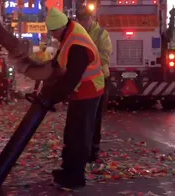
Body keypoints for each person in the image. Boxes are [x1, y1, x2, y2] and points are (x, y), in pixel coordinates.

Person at [38, 8, 104, 188]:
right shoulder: (71, 32)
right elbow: (60, 62)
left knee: (79, 135)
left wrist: (52, 97)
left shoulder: (77, 44)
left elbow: (70, 79)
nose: (53, 35)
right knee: (71, 132)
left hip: (89, 90)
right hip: (81, 90)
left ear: (59, 28)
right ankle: (68, 169)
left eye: (53, 32)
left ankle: (76, 176)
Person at [76, 6, 113, 162]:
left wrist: (87, 58)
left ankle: (94, 149)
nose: (83, 22)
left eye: (85, 19)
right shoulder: (78, 33)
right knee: (83, 117)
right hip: (82, 81)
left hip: (99, 80)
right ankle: (83, 148)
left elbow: (105, 56)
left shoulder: (100, 34)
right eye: (81, 20)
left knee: (95, 117)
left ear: (91, 18)